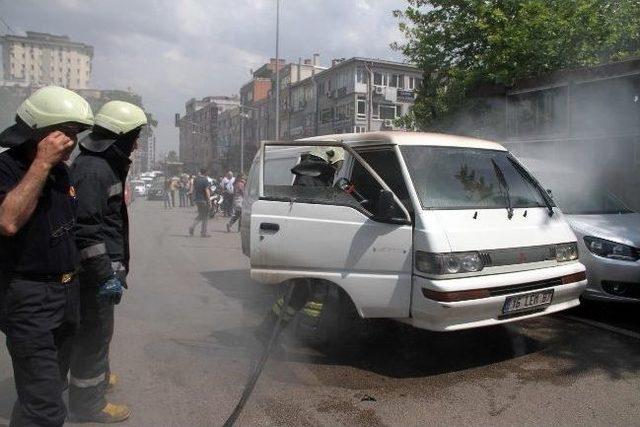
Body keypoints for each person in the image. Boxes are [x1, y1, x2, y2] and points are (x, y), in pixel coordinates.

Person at [0, 86, 94, 427]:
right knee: (47, 411)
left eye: (74, 135)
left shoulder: (62, 172)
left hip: (66, 295)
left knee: (45, 394)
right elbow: (8, 221)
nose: (71, 143)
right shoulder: (7, 168)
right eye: (64, 134)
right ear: (39, 132)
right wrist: (40, 163)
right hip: (30, 299)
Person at [69, 100, 147, 423]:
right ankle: (88, 404)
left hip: (101, 275)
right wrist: (105, 275)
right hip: (93, 277)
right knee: (93, 337)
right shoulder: (93, 171)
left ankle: (99, 378)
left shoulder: (103, 166)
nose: (137, 143)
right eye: (134, 136)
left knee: (100, 333)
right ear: (119, 137)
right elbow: (87, 233)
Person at [255, 147, 345, 343]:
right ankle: (302, 334)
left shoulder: (312, 177)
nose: (339, 168)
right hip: (308, 249)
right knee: (315, 294)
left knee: (299, 294)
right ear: (329, 159)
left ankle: (269, 330)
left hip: (308, 247)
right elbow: (314, 212)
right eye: (338, 164)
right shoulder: (309, 179)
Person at [188, 168, 211, 237]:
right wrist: (209, 200)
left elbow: (192, 189)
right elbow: (207, 191)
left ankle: (192, 226)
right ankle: (203, 232)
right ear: (205, 173)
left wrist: (191, 194)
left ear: (200, 172)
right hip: (204, 200)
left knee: (200, 215)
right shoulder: (205, 180)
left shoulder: (196, 179)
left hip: (197, 200)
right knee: (205, 217)